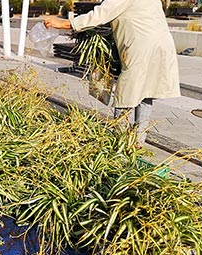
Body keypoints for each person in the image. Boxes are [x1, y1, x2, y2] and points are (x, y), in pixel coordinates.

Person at [44, 0, 181, 146]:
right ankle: (138, 140)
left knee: (126, 94)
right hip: (161, 44)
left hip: (140, 46)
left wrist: (65, 23)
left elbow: (100, 15)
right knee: (145, 92)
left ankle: (121, 141)